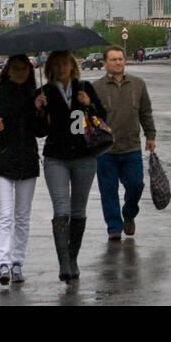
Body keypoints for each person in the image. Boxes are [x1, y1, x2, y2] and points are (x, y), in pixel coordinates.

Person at [36, 50, 107, 281]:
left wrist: (90, 105)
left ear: (72, 66)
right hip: (56, 157)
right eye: (57, 64)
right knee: (62, 210)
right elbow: (38, 131)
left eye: (65, 63)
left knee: (78, 211)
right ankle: (63, 262)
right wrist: (38, 108)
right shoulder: (44, 92)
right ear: (51, 68)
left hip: (84, 157)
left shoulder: (84, 88)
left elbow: (103, 117)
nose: (62, 68)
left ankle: (73, 257)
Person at [0, 54, 47, 285]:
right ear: (8, 71)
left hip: (27, 162)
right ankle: (3, 264)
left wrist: (40, 109)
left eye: (24, 69)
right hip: (2, 162)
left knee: (22, 216)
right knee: (5, 214)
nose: (20, 72)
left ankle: (17, 261)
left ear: (29, 72)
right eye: (16, 68)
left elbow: (41, 132)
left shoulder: (35, 96)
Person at [94, 46, 156, 241]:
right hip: (105, 150)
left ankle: (129, 213)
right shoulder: (96, 88)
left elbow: (145, 112)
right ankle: (114, 226)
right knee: (108, 190)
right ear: (104, 64)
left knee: (136, 185)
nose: (118, 62)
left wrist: (150, 135)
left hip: (131, 147)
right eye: (113, 59)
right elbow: (89, 118)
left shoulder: (138, 85)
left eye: (120, 59)